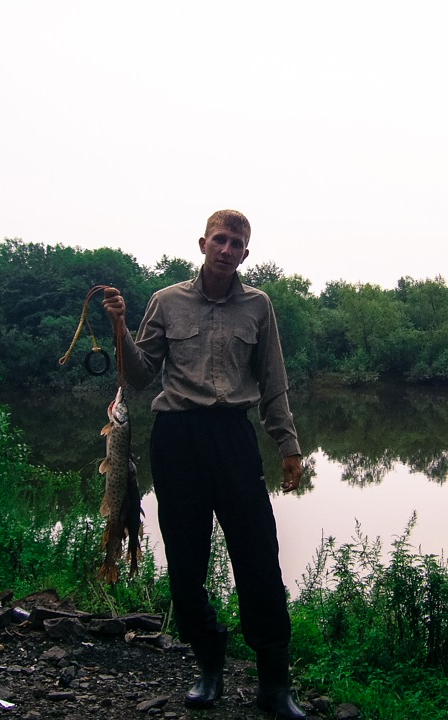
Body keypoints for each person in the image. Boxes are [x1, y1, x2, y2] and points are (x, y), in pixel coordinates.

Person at [103, 209, 306, 720]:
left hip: (233, 439)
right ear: (202, 244)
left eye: (236, 243)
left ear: (245, 253)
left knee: (259, 557)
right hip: (177, 440)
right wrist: (120, 327)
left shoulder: (259, 306)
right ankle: (209, 663)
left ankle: (274, 685)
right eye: (219, 239)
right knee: (187, 563)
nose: (226, 249)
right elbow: (139, 376)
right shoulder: (166, 302)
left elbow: (273, 380)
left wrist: (289, 445)